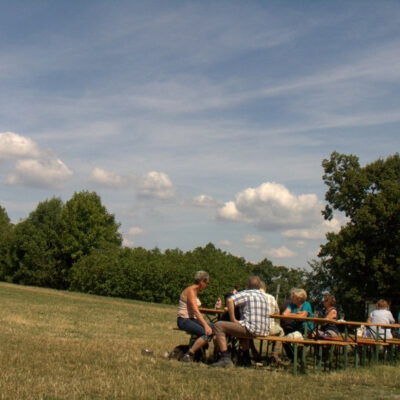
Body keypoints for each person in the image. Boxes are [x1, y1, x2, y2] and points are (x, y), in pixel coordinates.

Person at [211, 276, 270, 368]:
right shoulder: (264, 296)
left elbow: (230, 300)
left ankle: (225, 358)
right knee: (243, 331)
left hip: (251, 328)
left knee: (218, 325)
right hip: (264, 330)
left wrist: (233, 319)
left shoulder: (247, 293)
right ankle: (246, 358)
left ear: (248, 285)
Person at [177, 271, 213, 362]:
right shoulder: (191, 291)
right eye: (207, 283)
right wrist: (205, 326)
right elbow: (196, 311)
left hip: (192, 319)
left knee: (215, 327)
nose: (207, 285)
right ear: (201, 282)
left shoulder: (195, 291)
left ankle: (214, 354)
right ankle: (188, 355)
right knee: (206, 333)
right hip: (184, 320)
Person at [282, 288, 313, 360]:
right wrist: (296, 314)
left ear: (299, 298)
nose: (291, 298)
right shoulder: (292, 304)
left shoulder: (306, 304)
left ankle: (297, 359)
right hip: (295, 328)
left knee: (289, 339)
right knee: (284, 340)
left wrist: (291, 314)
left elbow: (302, 317)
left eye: (293, 297)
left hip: (306, 330)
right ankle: (293, 358)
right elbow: (284, 314)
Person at [259, 281, 285, 364]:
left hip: (253, 328)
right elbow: (277, 313)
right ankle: (275, 353)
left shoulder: (251, 296)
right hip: (269, 329)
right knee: (281, 332)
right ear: (265, 289)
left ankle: (253, 351)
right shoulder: (271, 298)